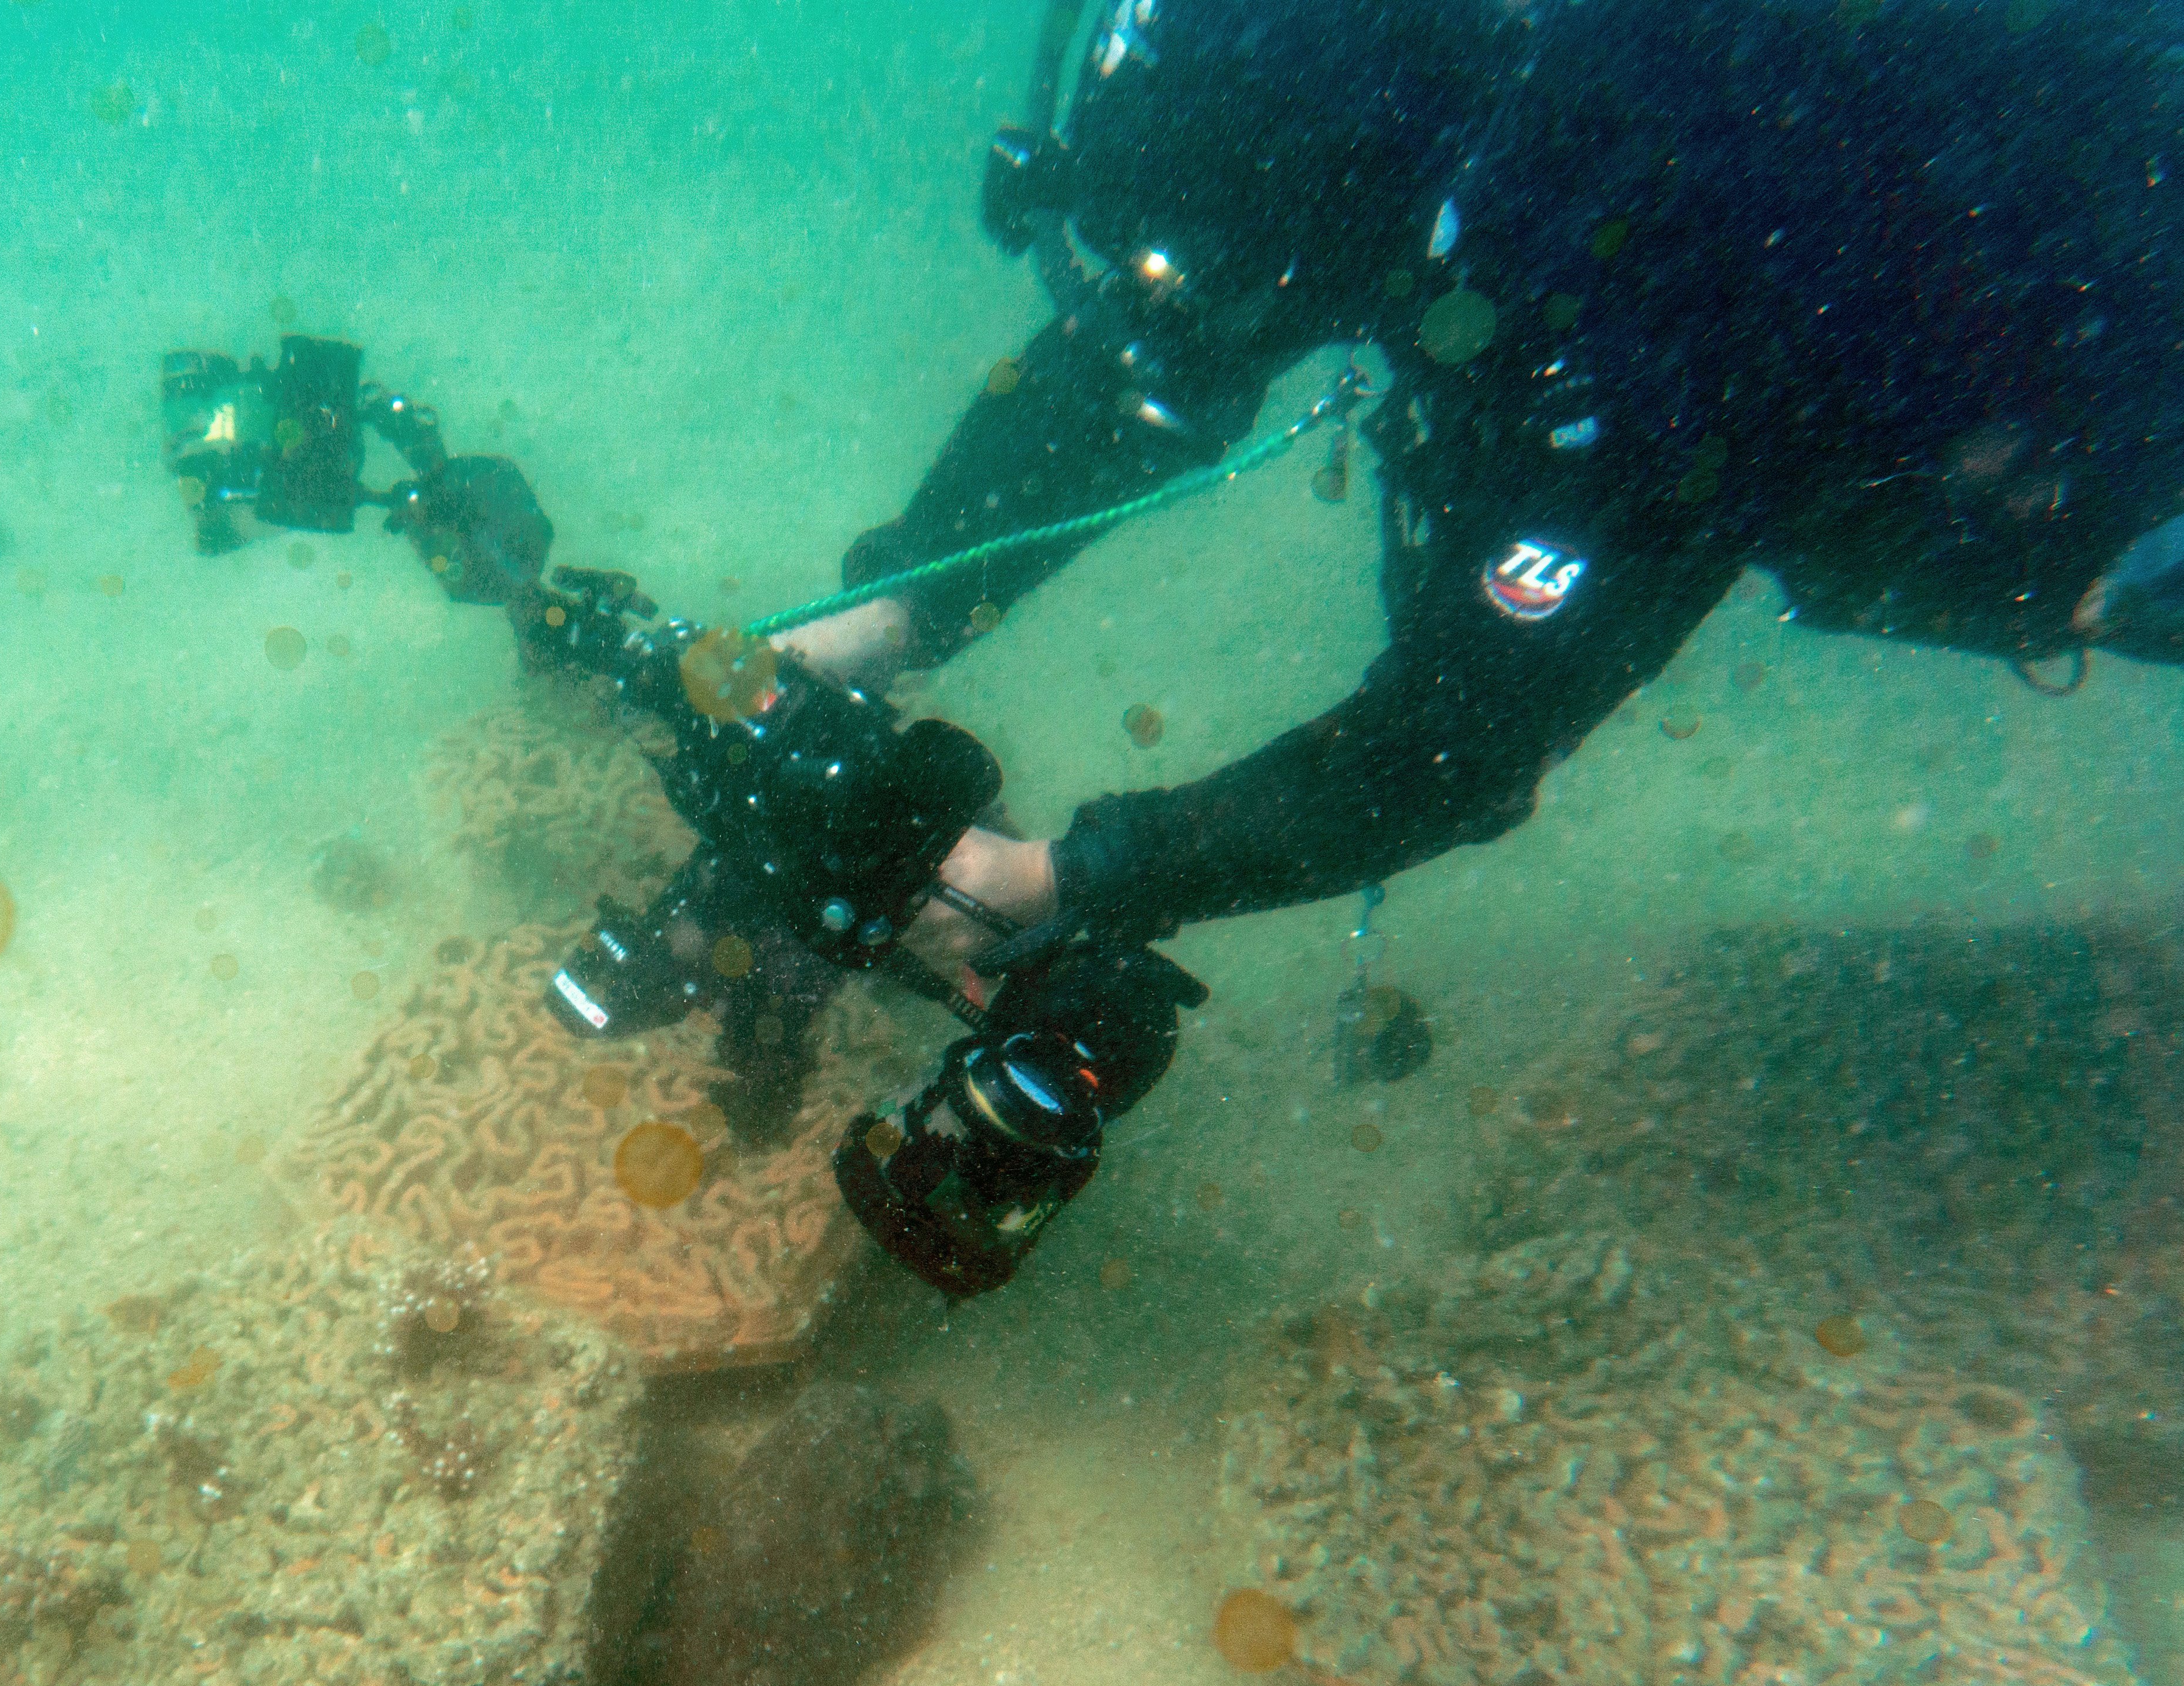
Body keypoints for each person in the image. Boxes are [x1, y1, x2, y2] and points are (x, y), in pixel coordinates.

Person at [786, 0, 2184, 979]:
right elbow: (1145, 362)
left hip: (1933, 393)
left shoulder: (1701, 289)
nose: (1177, 316)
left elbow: (1452, 745)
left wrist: (1062, 883)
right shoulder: (1373, 94)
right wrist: (891, 612)